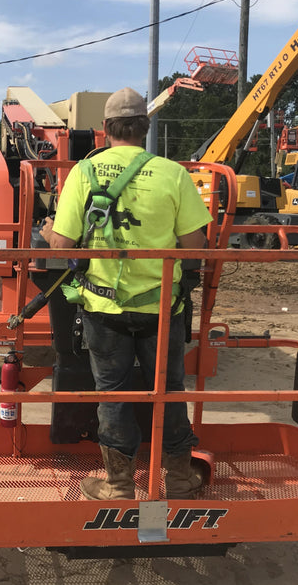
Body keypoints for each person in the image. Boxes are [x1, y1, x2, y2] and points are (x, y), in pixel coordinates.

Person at [40, 87, 212, 501]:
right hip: (162, 307)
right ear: (145, 128)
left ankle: (118, 484)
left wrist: (48, 233)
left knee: (113, 394)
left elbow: (62, 248)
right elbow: (196, 248)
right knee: (168, 391)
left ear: (105, 129)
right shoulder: (173, 175)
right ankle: (179, 479)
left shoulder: (84, 173)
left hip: (102, 308)